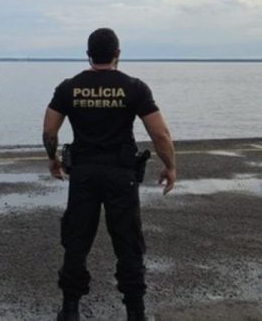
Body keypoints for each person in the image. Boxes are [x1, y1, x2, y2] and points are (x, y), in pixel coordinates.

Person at [42, 28, 176, 321]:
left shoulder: (69, 87)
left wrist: (53, 159)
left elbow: (49, 129)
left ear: (88, 54)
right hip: (121, 174)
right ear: (117, 54)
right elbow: (160, 133)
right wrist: (170, 166)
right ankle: (135, 311)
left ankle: (70, 309)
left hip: (84, 175)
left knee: (76, 241)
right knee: (128, 243)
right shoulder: (134, 87)